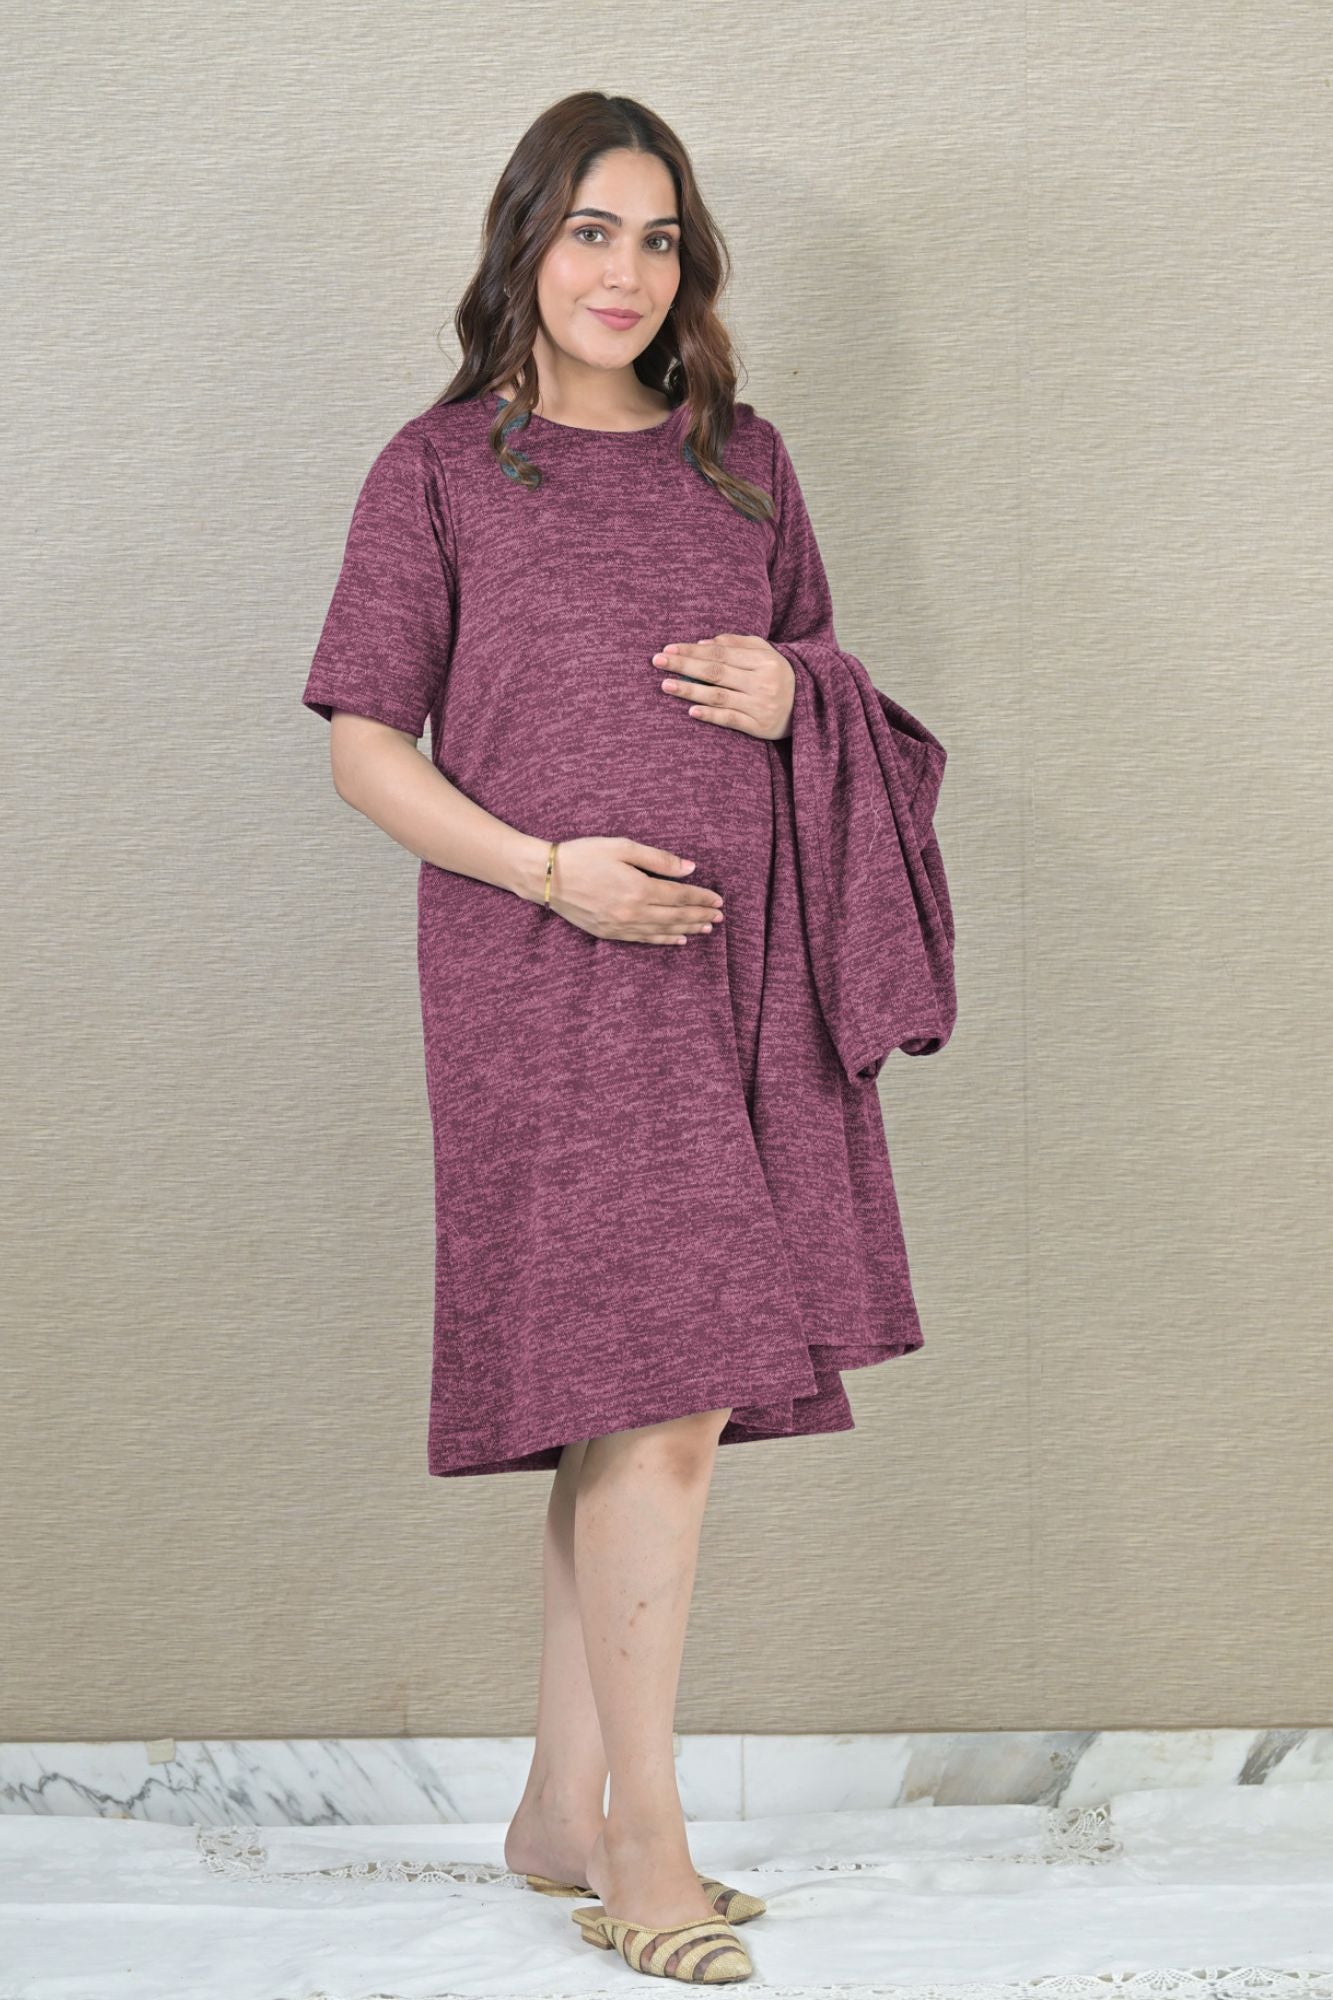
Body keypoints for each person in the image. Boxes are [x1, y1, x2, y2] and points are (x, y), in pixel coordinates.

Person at [300, 91, 955, 1986]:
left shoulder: (743, 463)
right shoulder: (437, 470)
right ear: (525, 242)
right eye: (592, 229)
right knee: (657, 1392)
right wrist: (546, 870)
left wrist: (795, 691)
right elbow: (364, 744)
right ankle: (644, 1848)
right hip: (544, 980)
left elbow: (832, 687)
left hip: (742, 987)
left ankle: (554, 1809)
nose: (626, 271)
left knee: (645, 1394)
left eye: (659, 238)